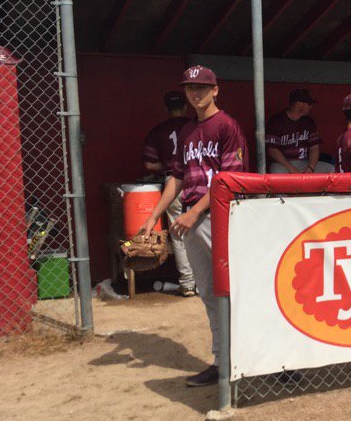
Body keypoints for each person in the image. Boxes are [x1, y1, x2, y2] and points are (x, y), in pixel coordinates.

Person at [139, 66, 249, 387]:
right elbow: (176, 176)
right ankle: (222, 362)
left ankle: (265, 358)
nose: (195, 93)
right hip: (191, 217)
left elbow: (230, 179)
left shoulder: (227, 126)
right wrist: (155, 215)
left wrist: (194, 212)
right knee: (209, 295)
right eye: (190, 88)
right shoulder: (187, 131)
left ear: (216, 90)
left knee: (238, 290)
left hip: (220, 216)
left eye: (202, 87)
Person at [142, 90, 196, 297]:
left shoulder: (158, 130)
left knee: (179, 236)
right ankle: (206, 282)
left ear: (166, 109)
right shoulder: (195, 126)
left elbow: (149, 163)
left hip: (173, 181)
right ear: (186, 106)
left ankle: (188, 283)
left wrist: (167, 165)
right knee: (204, 230)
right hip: (197, 180)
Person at [265, 88, 332, 174]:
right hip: (282, 164)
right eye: (309, 104)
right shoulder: (276, 121)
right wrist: (291, 169)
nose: (311, 107)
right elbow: (272, 150)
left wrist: (310, 168)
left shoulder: (309, 122)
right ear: (299, 104)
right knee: (276, 173)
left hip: (304, 163)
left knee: (331, 169)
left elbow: (314, 147)